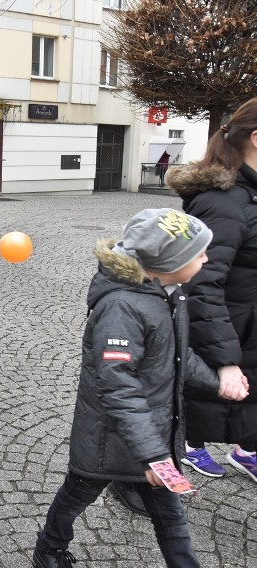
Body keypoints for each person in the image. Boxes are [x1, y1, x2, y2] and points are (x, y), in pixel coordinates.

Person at [32, 208, 248, 568]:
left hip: (153, 436)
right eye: (198, 253)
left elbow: (176, 355)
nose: (207, 258)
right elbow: (117, 383)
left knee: (172, 518)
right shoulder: (122, 306)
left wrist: (219, 385)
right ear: (167, 262)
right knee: (76, 495)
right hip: (108, 438)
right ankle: (49, 548)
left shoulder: (167, 292)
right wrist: (153, 453)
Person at [167, 97, 257, 482]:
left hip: (247, 324)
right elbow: (200, 284)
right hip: (229, 327)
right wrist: (225, 359)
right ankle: (188, 446)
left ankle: (246, 449)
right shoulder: (223, 203)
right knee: (208, 395)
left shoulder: (248, 195)